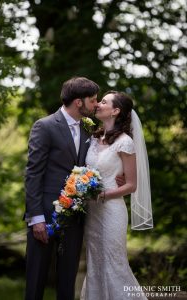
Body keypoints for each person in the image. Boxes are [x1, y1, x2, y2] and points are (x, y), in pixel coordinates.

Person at [24, 76, 100, 300]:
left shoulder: (88, 128)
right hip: (44, 215)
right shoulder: (45, 126)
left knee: (68, 280)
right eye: (93, 100)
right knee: (36, 279)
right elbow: (33, 173)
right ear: (79, 102)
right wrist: (35, 217)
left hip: (75, 217)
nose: (96, 104)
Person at [81, 91, 153, 300]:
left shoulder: (125, 142)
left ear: (115, 111)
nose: (98, 105)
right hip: (92, 213)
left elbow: (131, 185)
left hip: (111, 211)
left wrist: (103, 194)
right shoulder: (94, 137)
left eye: (104, 102)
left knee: (114, 264)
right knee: (95, 264)